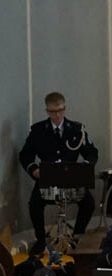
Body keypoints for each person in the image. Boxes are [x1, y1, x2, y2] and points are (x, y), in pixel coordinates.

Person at [19, 92, 98, 253]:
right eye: (53, 112)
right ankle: (41, 240)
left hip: (71, 178)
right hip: (47, 178)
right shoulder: (38, 130)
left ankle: (76, 237)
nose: (57, 115)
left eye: (60, 110)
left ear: (65, 108)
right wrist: (34, 170)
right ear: (47, 111)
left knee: (89, 203)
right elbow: (25, 154)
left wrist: (85, 166)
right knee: (34, 203)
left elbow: (91, 152)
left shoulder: (76, 129)